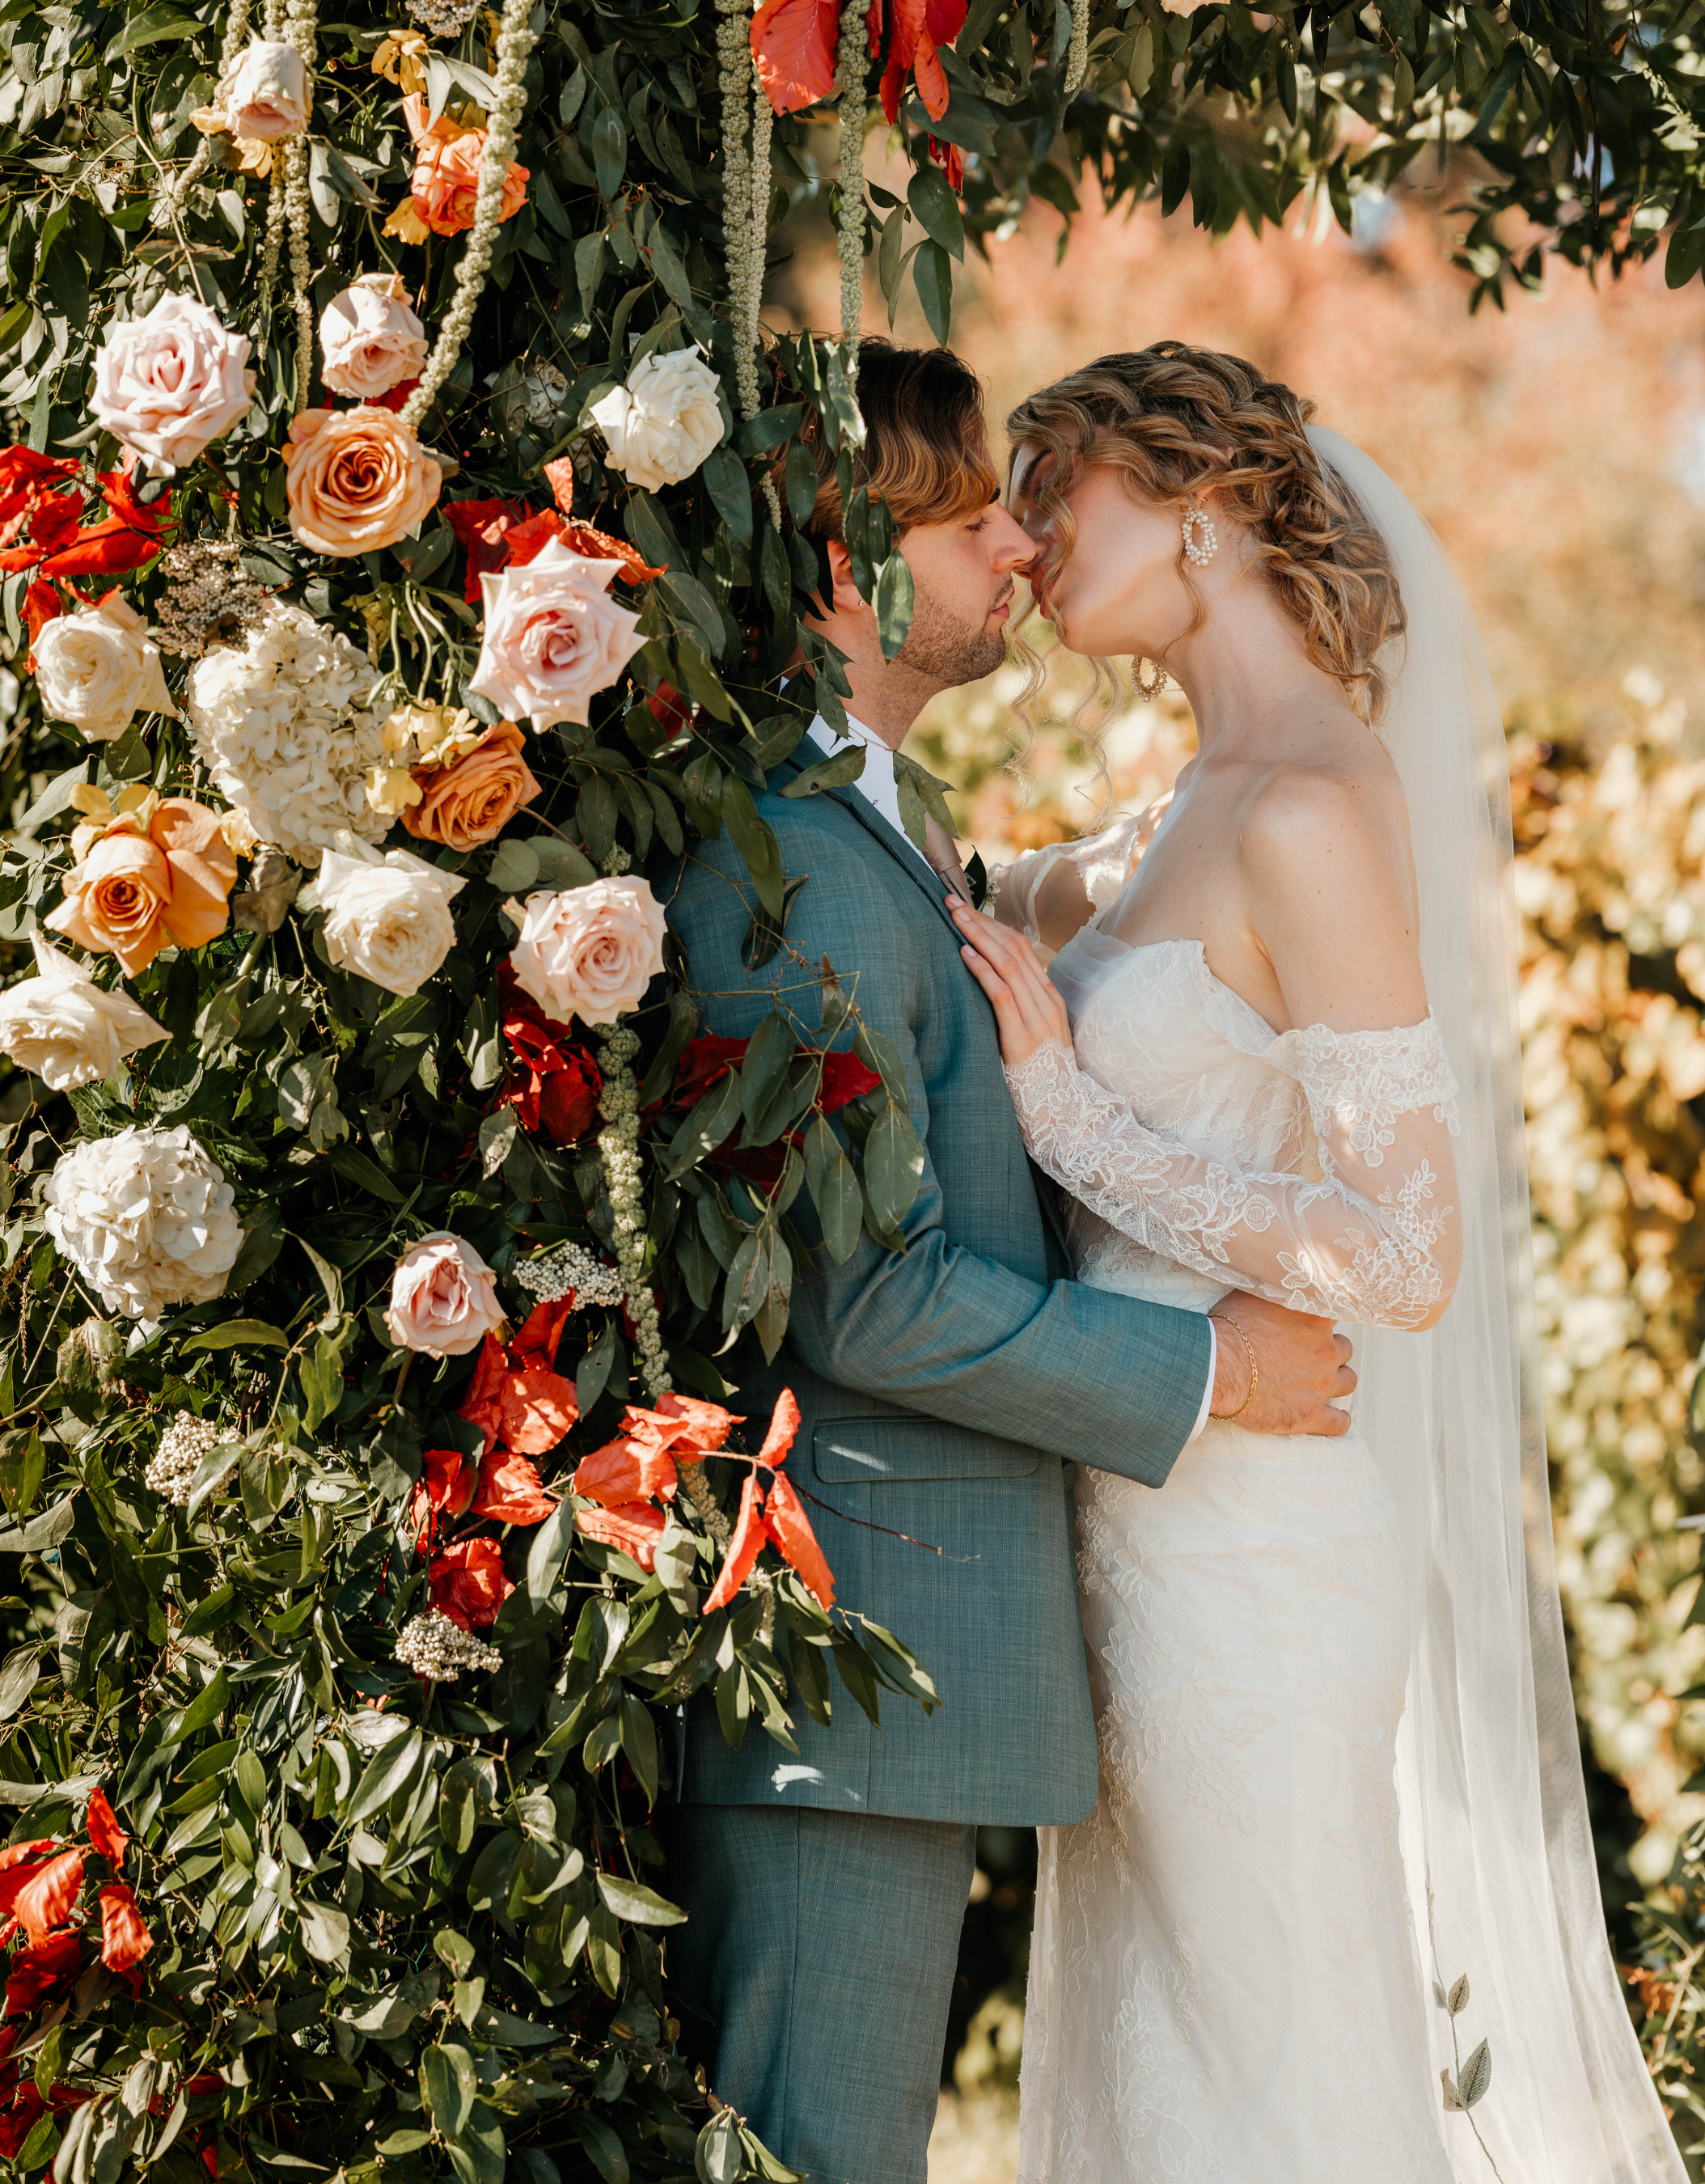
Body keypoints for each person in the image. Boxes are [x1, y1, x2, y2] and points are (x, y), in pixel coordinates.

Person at [955, 340, 1681, 2183]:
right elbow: (995, 894)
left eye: (1060, 494)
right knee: (1165, 2053)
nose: (1026, 540)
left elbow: (1410, 1251)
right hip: (1141, 1513)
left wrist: (1073, 1122)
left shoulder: (1308, 811)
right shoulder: (1195, 799)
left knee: (1272, 2061)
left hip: (1258, 1547)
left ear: (1198, 513)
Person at [660, 338, 1356, 2184]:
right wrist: (1206, 1374)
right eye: (969, 520)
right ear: (837, 574)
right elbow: (862, 1292)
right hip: (848, 1682)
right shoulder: (782, 876)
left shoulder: (887, 840)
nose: (1016, 554)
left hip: (907, 1676)